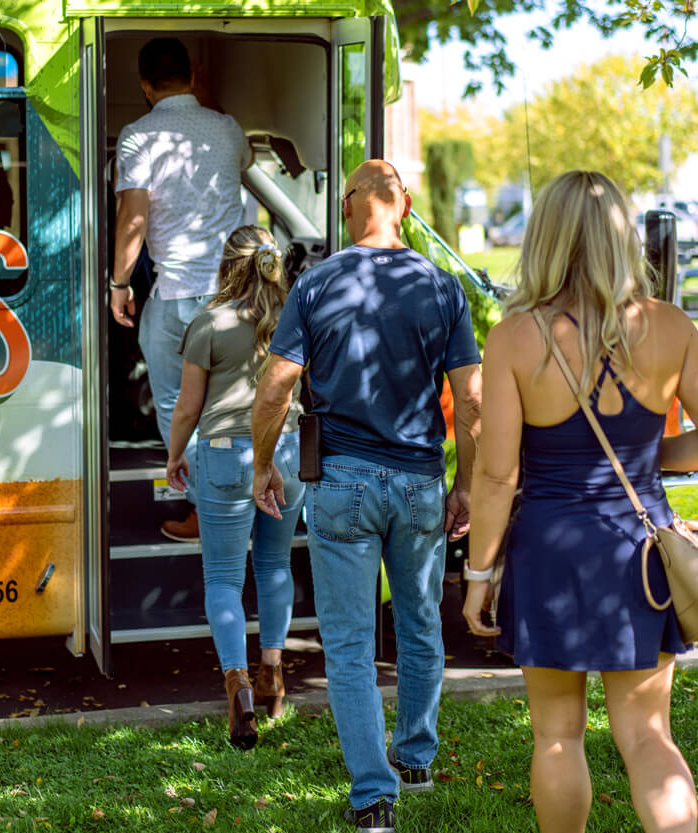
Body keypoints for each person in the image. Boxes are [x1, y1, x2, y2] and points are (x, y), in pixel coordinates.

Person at [462, 170, 698, 833]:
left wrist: (479, 574)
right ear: (624, 236)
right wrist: (652, 455)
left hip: (549, 552)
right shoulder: (669, 327)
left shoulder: (514, 336)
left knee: (557, 734)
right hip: (639, 552)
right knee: (648, 735)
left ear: (545, 239)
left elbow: (498, 475)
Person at [252, 160, 483, 832]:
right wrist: (464, 480)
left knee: (349, 643)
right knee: (418, 621)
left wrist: (264, 464)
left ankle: (374, 797)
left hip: (344, 481)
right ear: (404, 205)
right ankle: (416, 758)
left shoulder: (317, 282)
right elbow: (469, 398)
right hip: (417, 481)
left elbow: (275, 388)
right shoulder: (441, 286)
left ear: (351, 204)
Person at [164, 226, 305, 750]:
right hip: (286, 452)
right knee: (274, 566)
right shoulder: (292, 316)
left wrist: (176, 455)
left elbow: (187, 408)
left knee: (223, 578)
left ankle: (238, 687)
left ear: (228, 266)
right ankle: (273, 676)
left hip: (225, 456)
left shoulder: (210, 322)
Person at [111, 36, 252, 543]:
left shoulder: (138, 135)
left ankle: (205, 512)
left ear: (146, 86)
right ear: (192, 76)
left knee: (175, 405)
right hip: (234, 299)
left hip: (174, 294)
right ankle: (241, 499)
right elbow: (245, 162)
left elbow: (133, 218)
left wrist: (119, 284)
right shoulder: (228, 130)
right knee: (231, 404)